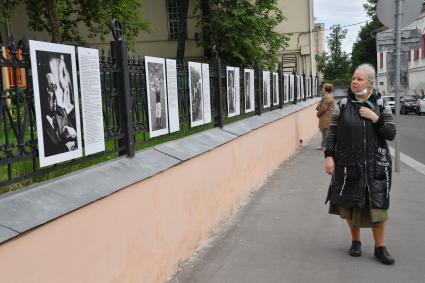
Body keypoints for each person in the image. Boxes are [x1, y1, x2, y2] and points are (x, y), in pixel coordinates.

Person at [324, 63, 396, 265]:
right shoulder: (344, 104)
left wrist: (376, 118)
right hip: (349, 163)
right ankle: (355, 241)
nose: (354, 82)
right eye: (353, 78)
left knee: (378, 206)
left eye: (359, 79)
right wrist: (329, 156)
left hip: (376, 165)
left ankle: (380, 247)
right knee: (350, 205)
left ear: (371, 83)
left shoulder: (381, 104)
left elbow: (390, 134)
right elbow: (332, 133)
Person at [42, 73, 77, 157]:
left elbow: (76, 140)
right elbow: (48, 154)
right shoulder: (41, 122)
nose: (54, 93)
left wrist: (74, 134)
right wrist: (65, 148)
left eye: (55, 87)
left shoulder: (61, 111)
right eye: (50, 88)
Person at [316, 83, 335, 150]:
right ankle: (323, 145)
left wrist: (318, 114)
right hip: (326, 116)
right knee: (324, 131)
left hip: (326, 117)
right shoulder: (327, 96)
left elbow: (324, 108)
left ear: (326, 89)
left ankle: (326, 146)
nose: (322, 89)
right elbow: (322, 104)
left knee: (326, 132)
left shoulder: (328, 97)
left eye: (323, 88)